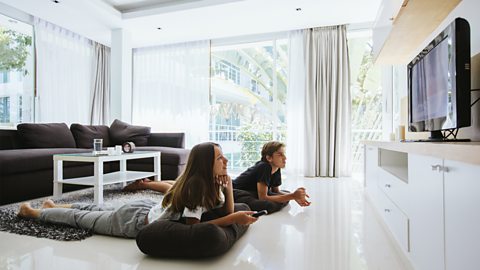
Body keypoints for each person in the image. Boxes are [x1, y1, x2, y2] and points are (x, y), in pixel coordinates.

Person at [17, 142, 258, 238]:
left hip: (147, 209)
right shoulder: (197, 188)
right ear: (206, 164)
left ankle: (54, 205)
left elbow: (226, 207)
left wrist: (229, 189)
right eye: (220, 158)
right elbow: (192, 228)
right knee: (83, 218)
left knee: (96, 208)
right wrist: (233, 218)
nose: (226, 161)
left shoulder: (213, 184)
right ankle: (34, 213)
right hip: (136, 222)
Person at [232, 141, 311, 214]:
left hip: (254, 192)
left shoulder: (276, 168)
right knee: (270, 205)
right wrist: (292, 196)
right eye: (280, 154)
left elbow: (276, 191)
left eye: (284, 154)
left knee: (285, 193)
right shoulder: (264, 167)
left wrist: (295, 196)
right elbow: (263, 197)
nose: (285, 158)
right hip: (237, 191)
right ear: (269, 158)